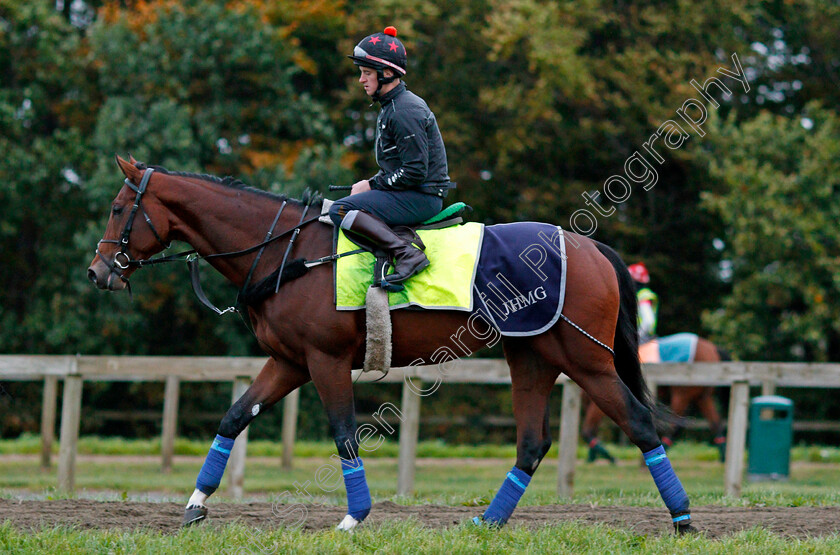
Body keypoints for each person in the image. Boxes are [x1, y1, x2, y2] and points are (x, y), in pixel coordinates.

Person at [328, 26, 454, 286]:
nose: (361, 80)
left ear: (386, 74)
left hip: (423, 197)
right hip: (413, 192)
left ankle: (406, 254)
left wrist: (372, 185)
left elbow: (415, 171)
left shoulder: (403, 110)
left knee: (341, 209)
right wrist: (370, 183)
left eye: (366, 73)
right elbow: (399, 167)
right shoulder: (392, 106)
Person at [628, 262, 658, 344]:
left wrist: (636, 337)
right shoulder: (641, 295)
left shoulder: (643, 296)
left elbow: (648, 321)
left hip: (644, 339)